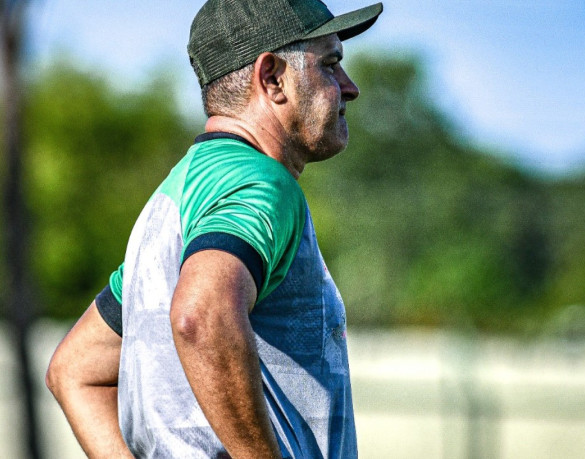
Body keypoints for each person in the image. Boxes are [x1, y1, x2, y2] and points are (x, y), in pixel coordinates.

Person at [45, 0, 383, 458]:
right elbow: (202, 314)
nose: (350, 87)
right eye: (330, 64)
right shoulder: (262, 184)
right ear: (273, 79)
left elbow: (75, 369)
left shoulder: (176, 195)